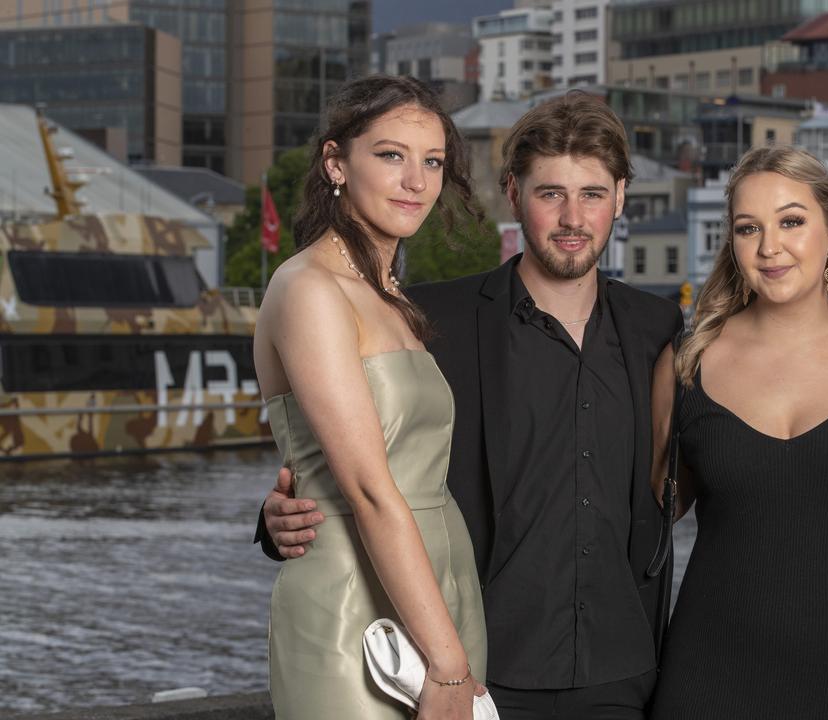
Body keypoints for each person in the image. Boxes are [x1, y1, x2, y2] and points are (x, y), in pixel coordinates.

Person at [259, 91, 684, 720]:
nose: (572, 218)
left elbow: (705, 468)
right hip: (471, 659)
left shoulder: (659, 329)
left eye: (592, 194)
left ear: (620, 198)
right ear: (512, 194)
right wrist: (278, 521)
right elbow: (356, 454)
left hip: (621, 666)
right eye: (549, 194)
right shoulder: (433, 318)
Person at [646, 145, 828, 718]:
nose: (769, 247)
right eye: (748, 228)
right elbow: (648, 512)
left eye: (791, 221)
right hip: (713, 666)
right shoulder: (686, 363)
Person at [252, 75, 488, 719]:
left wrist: (451, 646)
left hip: (442, 592)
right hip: (350, 606)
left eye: (432, 161)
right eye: (391, 155)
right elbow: (365, 487)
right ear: (336, 163)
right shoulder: (308, 289)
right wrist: (446, 665)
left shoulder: (396, 300)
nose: (416, 180)